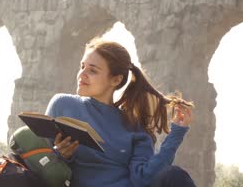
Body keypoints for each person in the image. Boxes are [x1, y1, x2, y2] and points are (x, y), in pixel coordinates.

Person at [46, 38, 195, 187]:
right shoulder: (63, 105)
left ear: (116, 80)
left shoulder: (134, 126)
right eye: (82, 66)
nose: (82, 74)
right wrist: (59, 154)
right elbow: (39, 161)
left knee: (173, 175)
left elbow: (143, 179)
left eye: (92, 70)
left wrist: (176, 134)